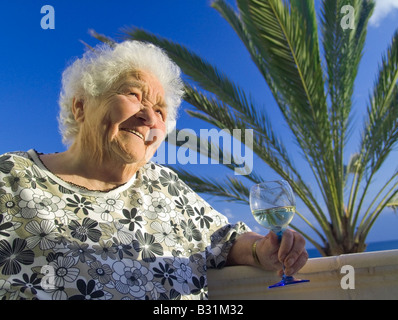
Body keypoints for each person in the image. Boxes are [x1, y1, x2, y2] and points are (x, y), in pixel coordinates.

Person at [0, 41, 308, 300]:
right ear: (80, 107)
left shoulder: (165, 186)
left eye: (160, 111)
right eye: (133, 95)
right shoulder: (10, 178)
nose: (149, 117)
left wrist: (260, 250)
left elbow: (224, 242)